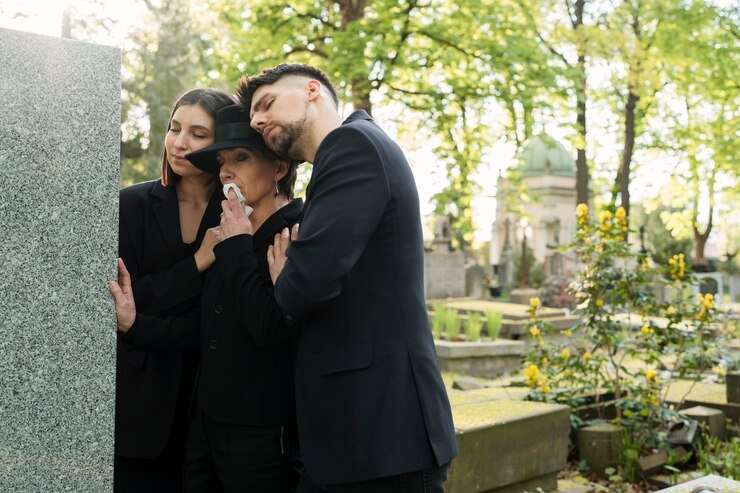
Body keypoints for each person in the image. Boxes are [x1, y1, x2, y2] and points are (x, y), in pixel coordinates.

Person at [237, 64, 458, 492]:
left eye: (267, 104)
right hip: (357, 440)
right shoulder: (351, 151)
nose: (258, 121)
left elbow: (305, 285)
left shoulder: (351, 144)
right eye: (253, 118)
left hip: (383, 439)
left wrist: (288, 275)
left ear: (312, 90)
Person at [108, 88, 234, 492]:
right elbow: (126, 298)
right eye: (175, 128)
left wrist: (139, 325)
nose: (179, 143)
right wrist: (197, 262)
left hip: (211, 403)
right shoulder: (131, 205)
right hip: (141, 406)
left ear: (222, 145)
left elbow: (220, 320)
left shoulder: (236, 213)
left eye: (198, 134)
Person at [182, 104, 303, 492]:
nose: (225, 172)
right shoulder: (230, 226)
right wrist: (137, 326)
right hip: (206, 427)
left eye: (241, 158)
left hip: (262, 436)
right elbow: (209, 326)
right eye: (222, 162)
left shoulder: (299, 233)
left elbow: (268, 328)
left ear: (279, 167)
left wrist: (236, 245)